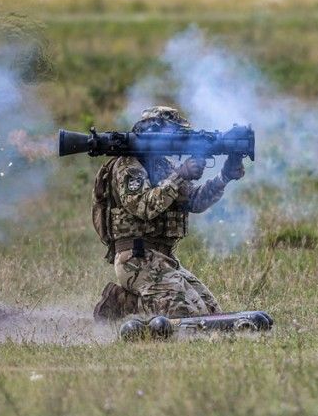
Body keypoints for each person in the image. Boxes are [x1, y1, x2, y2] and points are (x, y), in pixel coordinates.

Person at [92, 105, 246, 320]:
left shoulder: (162, 165)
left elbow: (194, 202)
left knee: (211, 312)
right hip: (136, 259)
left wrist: (225, 176)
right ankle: (124, 303)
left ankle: (137, 301)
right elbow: (143, 207)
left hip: (163, 258)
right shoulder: (127, 166)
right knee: (183, 314)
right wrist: (181, 175)